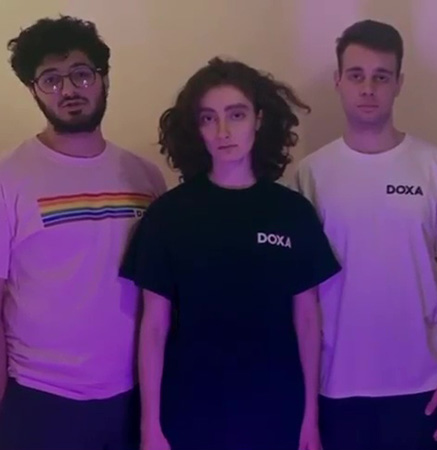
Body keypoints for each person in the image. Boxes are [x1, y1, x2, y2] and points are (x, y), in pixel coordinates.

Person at [119, 57, 340, 450]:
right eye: (209, 118)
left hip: (277, 411)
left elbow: (308, 321)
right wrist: (150, 426)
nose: (223, 131)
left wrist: (310, 420)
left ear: (259, 119)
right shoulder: (168, 215)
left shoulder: (292, 212)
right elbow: (152, 328)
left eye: (236, 115)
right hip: (188, 412)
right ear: (196, 128)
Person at [293, 19, 437, 450]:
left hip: (423, 385)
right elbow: (302, 299)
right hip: (335, 386)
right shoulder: (310, 175)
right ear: (338, 81)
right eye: (356, 75)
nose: (368, 88)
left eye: (381, 77)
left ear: (399, 83)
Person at [0, 15, 166, 450]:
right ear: (33, 90)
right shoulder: (8, 177)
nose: (69, 90)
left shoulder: (145, 177)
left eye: (81, 73)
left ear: (103, 77)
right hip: (40, 400)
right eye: (51, 79)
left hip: (132, 396)